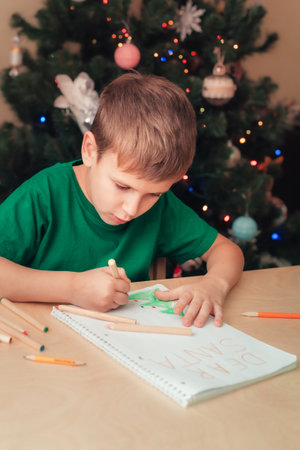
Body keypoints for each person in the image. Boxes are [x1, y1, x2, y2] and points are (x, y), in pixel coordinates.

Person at [0, 72, 244, 327]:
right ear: (90, 151)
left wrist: (214, 284)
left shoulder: (160, 208)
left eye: (154, 194)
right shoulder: (45, 194)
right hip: (40, 338)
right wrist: (72, 288)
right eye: (122, 186)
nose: (132, 209)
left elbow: (226, 250)